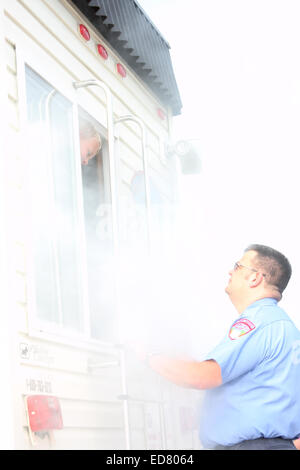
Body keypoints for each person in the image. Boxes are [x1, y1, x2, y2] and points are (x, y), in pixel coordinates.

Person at [138, 244, 300, 450]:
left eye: (238, 266)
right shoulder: (286, 329)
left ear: (255, 278)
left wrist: (148, 355)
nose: (231, 271)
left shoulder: (258, 322)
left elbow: (201, 377)